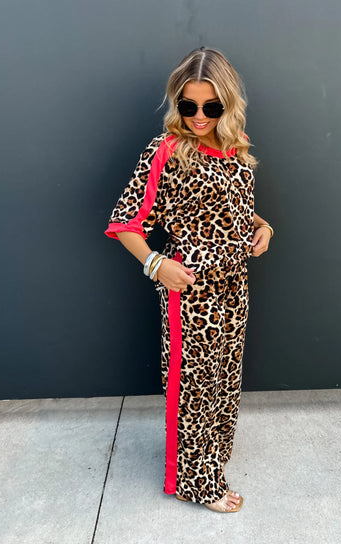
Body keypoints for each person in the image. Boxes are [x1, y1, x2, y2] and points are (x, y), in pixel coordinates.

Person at [104, 47, 274, 513]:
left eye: (211, 106)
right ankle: (194, 482)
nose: (199, 116)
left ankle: (211, 461)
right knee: (194, 390)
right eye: (188, 105)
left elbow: (235, 206)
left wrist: (263, 226)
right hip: (192, 291)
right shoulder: (167, 151)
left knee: (225, 379)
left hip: (235, 284)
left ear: (228, 104)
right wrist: (156, 264)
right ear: (176, 101)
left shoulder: (236, 144)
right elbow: (124, 221)